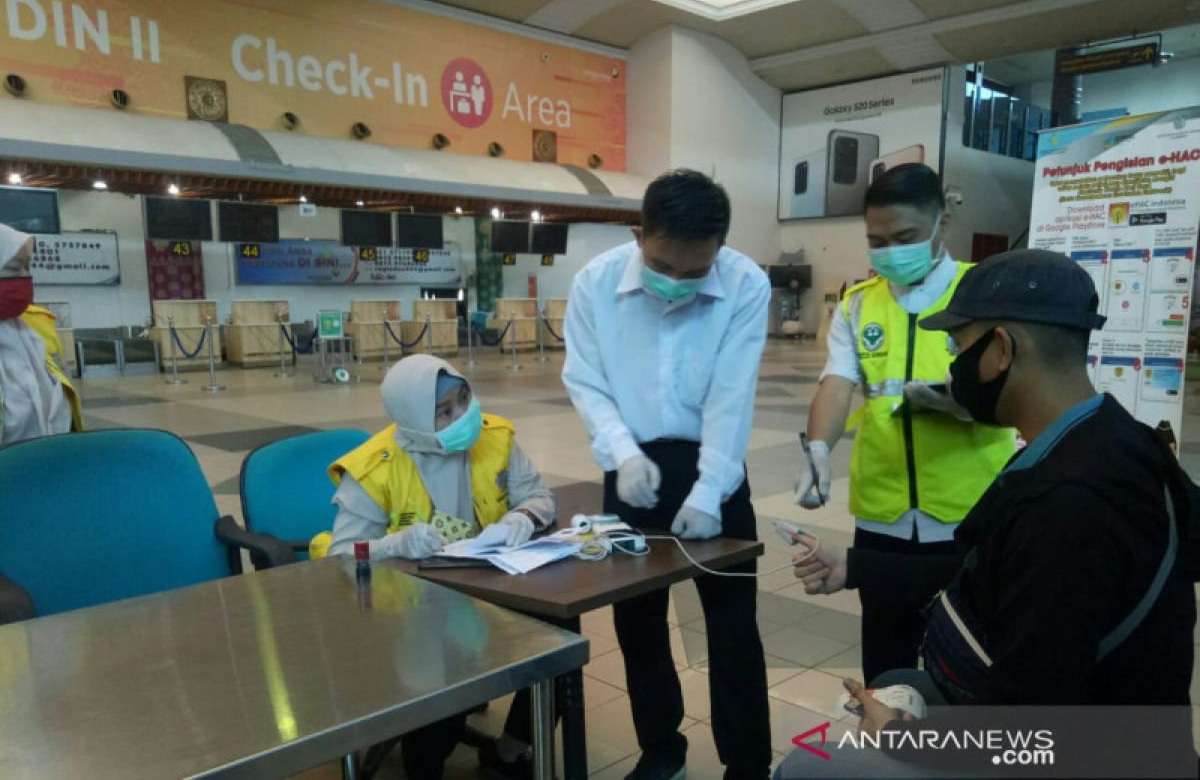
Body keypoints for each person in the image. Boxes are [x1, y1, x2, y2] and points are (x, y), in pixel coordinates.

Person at [779, 249, 1196, 777]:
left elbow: (1033, 736)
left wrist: (903, 736)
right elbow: (994, 568)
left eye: (959, 346)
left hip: (1086, 756)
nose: (955, 366)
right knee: (894, 676)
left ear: (1000, 349)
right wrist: (855, 566)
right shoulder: (1108, 439)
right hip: (1093, 729)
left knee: (804, 766)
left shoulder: (1068, 508)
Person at [562, 169, 772, 780]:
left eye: (694, 271)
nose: (677, 283)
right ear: (638, 234)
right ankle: (662, 751)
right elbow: (585, 380)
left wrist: (710, 490)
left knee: (733, 629)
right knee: (639, 625)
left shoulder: (744, 283)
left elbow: (733, 397)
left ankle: (748, 764)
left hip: (717, 472)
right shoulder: (595, 285)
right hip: (631, 476)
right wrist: (621, 454)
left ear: (721, 248)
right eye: (664, 265)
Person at [794, 163, 1014, 684]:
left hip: (968, 513)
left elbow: (1013, 390)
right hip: (883, 515)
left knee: (967, 663)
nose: (891, 250)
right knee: (886, 667)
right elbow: (837, 382)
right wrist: (819, 452)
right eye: (877, 240)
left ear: (942, 225)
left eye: (906, 237)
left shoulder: (979, 292)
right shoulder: (856, 304)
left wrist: (966, 405)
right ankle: (891, 756)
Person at [318, 354, 558, 780]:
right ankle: (426, 763)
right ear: (412, 422)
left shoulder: (494, 437)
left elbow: (538, 496)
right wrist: (394, 544)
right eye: (445, 412)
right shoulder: (376, 467)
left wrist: (525, 516)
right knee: (439, 689)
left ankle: (512, 748)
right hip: (408, 607)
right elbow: (340, 557)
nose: (463, 416)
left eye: (464, 400)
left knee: (561, 637)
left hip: (489, 586)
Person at [0, 223, 81, 447]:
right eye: (14, 270)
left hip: (48, 462)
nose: (25, 278)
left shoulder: (38, 324)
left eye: (27, 268)